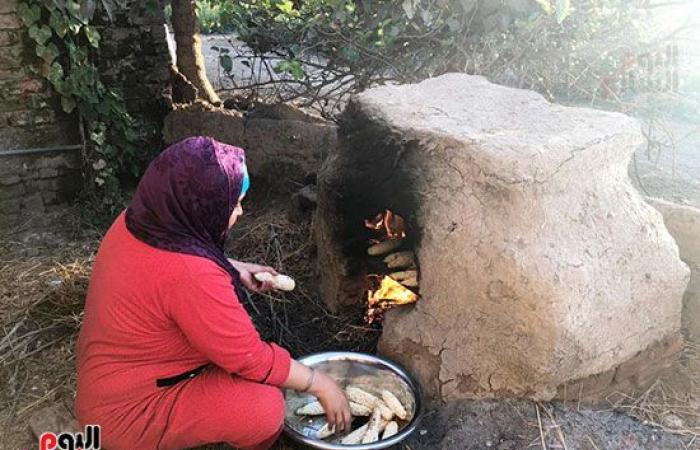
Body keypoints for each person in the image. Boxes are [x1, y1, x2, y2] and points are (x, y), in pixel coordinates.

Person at [74, 137, 351, 450]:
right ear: (199, 207)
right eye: (234, 204)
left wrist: (234, 268)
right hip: (126, 414)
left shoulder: (139, 218)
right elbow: (250, 359)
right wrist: (320, 383)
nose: (241, 212)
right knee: (265, 408)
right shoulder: (193, 276)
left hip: (109, 379)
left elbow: (171, 262)